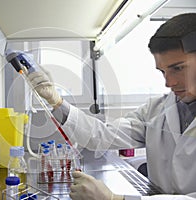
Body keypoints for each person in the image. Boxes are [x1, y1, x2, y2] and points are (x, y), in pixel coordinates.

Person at [28, 13, 196, 200]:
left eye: (178, 68)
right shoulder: (157, 110)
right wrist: (56, 101)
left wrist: (115, 199)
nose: (169, 82)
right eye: (162, 71)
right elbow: (102, 136)